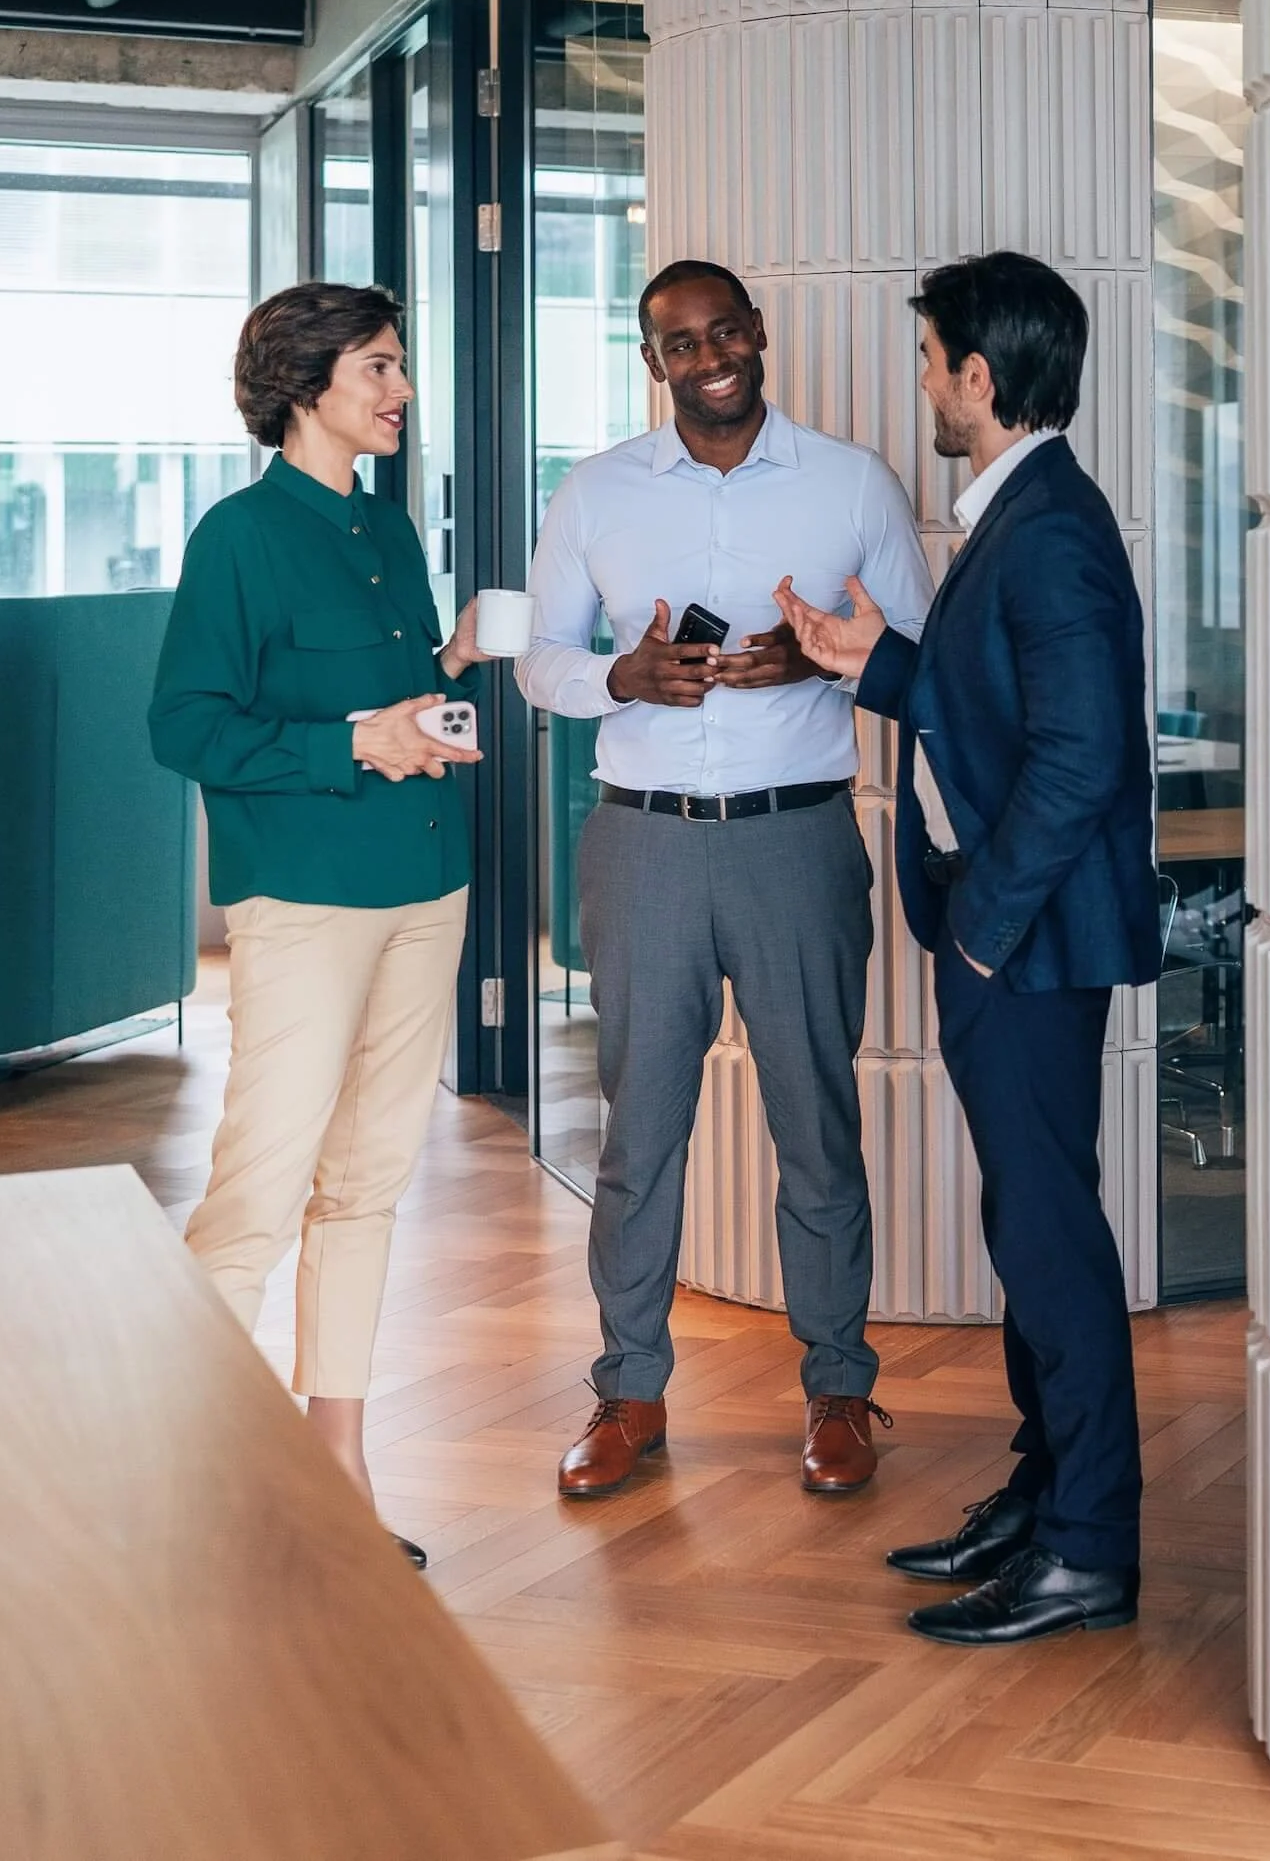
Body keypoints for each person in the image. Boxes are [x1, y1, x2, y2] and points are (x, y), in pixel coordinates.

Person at [776, 249, 1162, 1645]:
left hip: (1027, 948)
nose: (925, 384)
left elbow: (1082, 756)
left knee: (1050, 1239)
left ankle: (1087, 1549)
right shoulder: (1021, 511)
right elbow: (991, 705)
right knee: (1028, 1221)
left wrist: (984, 935)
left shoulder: (1046, 526)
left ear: (978, 377)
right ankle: (1045, 1490)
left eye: (931, 361)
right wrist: (869, 659)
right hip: (1015, 939)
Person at [517, 259, 934, 1499]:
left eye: (725, 332)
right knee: (638, 1134)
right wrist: (622, 678)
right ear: (652, 362)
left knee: (816, 1122)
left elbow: (923, 652)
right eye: (681, 342)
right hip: (641, 842)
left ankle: (838, 1387)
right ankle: (627, 1391)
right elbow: (538, 659)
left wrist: (819, 661)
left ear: (757, 334)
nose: (710, 357)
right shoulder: (594, 492)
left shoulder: (851, 482)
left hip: (796, 840)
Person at [148, 282, 497, 1570]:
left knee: (365, 1187)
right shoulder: (238, 538)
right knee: (261, 1185)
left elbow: (389, 707)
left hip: (427, 887)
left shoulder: (388, 529)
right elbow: (185, 726)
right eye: (378, 368)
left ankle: (338, 1471)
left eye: (399, 367)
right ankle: (188, 1480)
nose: (400, 391)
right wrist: (354, 743)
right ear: (306, 385)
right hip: (303, 899)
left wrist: (448, 671)